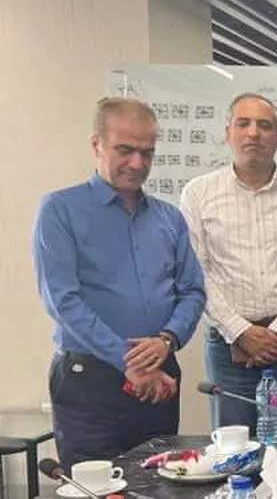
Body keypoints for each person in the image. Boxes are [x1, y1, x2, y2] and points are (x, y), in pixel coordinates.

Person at [32, 97, 206, 467]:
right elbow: (62, 300)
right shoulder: (60, 210)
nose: (137, 163)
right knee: (97, 485)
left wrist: (167, 339)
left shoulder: (169, 218)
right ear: (96, 144)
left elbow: (192, 290)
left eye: (147, 152)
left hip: (159, 377)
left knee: (159, 484)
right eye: (125, 150)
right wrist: (129, 361)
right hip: (89, 380)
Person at [181, 93, 277, 438]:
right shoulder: (198, 194)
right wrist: (241, 331)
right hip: (227, 346)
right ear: (227, 133)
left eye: (264, 125)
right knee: (233, 447)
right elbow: (196, 272)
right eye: (243, 123)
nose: (253, 133)